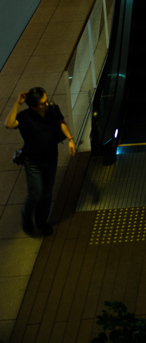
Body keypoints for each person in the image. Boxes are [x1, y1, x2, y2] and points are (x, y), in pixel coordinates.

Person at [5, 87, 76, 236]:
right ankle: (27, 218)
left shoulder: (53, 109)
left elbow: (61, 122)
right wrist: (17, 104)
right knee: (36, 193)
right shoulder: (25, 117)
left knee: (47, 193)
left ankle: (41, 222)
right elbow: (9, 124)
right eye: (43, 103)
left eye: (46, 100)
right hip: (33, 161)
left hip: (51, 158)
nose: (47, 104)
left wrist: (70, 139)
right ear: (33, 106)